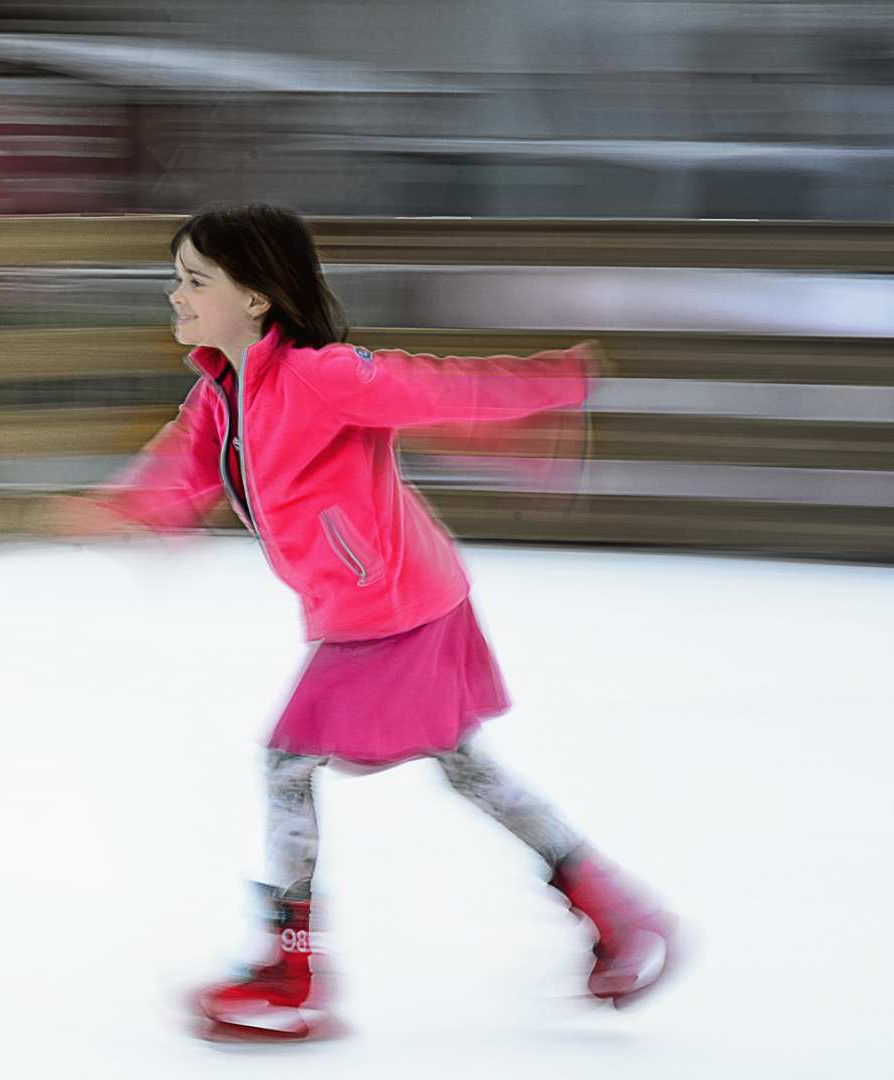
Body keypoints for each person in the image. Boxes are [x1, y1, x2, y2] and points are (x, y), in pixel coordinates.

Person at [44, 205, 678, 1041]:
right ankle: (617, 911)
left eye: (197, 281)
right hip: (388, 603)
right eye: (179, 279)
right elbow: (178, 468)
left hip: (395, 610)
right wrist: (117, 510)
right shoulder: (220, 392)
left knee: (287, 764)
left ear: (259, 297)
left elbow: (440, 388)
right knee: (463, 766)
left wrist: (555, 382)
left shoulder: (321, 373)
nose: (176, 295)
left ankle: (290, 970)